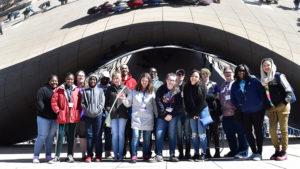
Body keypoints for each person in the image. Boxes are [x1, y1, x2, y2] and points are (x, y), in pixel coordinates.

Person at [119, 73, 157, 163]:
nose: (144, 82)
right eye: (143, 80)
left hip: (148, 118)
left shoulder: (152, 91)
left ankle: (146, 154)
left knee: (147, 138)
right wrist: (124, 98)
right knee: (135, 136)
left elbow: (155, 106)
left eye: (146, 81)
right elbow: (128, 104)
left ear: (149, 82)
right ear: (140, 81)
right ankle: (134, 155)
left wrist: (157, 116)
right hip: (136, 118)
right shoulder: (133, 91)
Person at [231, 64, 266, 161]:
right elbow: (233, 98)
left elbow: (262, 93)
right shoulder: (235, 84)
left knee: (258, 131)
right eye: (238, 71)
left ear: (246, 71)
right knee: (248, 132)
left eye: (243, 70)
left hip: (257, 110)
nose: (241, 72)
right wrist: (238, 106)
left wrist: (259, 104)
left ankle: (259, 153)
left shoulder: (254, 81)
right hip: (245, 112)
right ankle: (254, 152)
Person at [260, 58, 293, 161]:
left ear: (272, 65)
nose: (266, 67)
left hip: (283, 106)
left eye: (268, 65)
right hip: (272, 108)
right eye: (264, 65)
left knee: (283, 129)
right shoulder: (263, 80)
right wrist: (268, 107)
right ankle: (277, 150)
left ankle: (284, 151)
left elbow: (289, 92)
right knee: (272, 130)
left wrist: (283, 103)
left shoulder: (278, 76)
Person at [50, 73, 82, 163]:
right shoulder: (59, 89)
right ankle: (57, 156)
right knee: (60, 135)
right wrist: (57, 111)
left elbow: (80, 103)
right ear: (65, 79)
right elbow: (54, 102)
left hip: (73, 116)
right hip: (62, 115)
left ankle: (70, 155)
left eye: (71, 79)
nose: (70, 81)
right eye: (68, 79)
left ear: (73, 80)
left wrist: (78, 112)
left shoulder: (76, 90)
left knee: (71, 137)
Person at [150, 73, 182, 162]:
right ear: (166, 80)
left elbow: (179, 105)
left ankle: (172, 154)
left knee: (172, 135)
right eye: (169, 80)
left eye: (173, 80)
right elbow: (158, 102)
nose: (171, 82)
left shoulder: (177, 91)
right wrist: (165, 115)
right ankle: (159, 155)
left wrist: (171, 115)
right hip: (162, 116)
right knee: (159, 134)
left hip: (173, 116)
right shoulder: (161, 89)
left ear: (175, 82)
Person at [219, 67, 249, 159]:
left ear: (233, 73)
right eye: (225, 72)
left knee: (241, 133)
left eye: (229, 72)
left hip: (237, 113)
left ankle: (243, 152)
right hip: (226, 115)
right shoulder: (222, 85)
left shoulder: (237, 83)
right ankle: (234, 151)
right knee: (229, 134)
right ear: (223, 74)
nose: (227, 74)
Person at [183, 69, 209, 161]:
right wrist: (191, 114)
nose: (194, 78)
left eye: (196, 76)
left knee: (201, 134)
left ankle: (204, 154)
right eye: (192, 76)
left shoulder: (202, 86)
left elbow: (202, 102)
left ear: (199, 78)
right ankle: (196, 153)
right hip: (192, 112)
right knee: (194, 134)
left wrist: (195, 113)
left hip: (203, 111)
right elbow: (186, 102)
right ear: (190, 77)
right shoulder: (186, 87)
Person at [33, 75, 59, 163]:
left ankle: (48, 156)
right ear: (49, 81)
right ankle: (36, 156)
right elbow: (38, 101)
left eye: (56, 81)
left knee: (50, 137)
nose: (54, 82)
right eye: (52, 81)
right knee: (41, 136)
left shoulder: (58, 90)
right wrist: (45, 112)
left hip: (54, 119)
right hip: (43, 118)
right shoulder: (43, 90)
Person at [105, 71, 130, 161]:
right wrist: (109, 110)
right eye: (114, 78)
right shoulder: (109, 89)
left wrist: (124, 99)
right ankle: (115, 155)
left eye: (117, 78)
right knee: (115, 135)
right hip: (113, 115)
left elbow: (129, 102)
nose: (115, 80)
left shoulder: (126, 89)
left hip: (123, 114)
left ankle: (121, 155)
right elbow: (106, 102)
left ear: (120, 79)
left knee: (121, 134)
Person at [81, 74, 105, 162]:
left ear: (97, 81)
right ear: (89, 81)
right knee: (89, 135)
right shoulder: (85, 91)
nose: (93, 81)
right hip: (88, 116)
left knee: (98, 135)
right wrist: (86, 110)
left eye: (94, 80)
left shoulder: (100, 90)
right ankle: (89, 155)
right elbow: (82, 103)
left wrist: (99, 110)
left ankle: (98, 155)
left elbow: (102, 102)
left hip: (98, 116)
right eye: (91, 80)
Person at [200, 68, 221, 158]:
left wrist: (207, 97)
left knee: (215, 132)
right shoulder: (199, 84)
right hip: (204, 111)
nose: (205, 75)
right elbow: (200, 98)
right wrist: (212, 97)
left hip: (214, 112)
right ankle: (206, 151)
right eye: (203, 74)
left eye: (207, 73)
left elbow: (218, 96)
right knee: (207, 132)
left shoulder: (214, 84)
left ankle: (217, 151)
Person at [120, 64, 137, 158]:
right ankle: (122, 153)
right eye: (122, 68)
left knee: (131, 134)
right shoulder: (118, 80)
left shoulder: (133, 81)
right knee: (122, 134)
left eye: (126, 68)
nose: (124, 70)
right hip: (121, 111)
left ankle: (132, 153)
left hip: (131, 111)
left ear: (128, 69)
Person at [175, 69, 191, 160]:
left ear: (184, 76)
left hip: (186, 113)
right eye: (178, 74)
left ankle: (187, 153)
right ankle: (181, 153)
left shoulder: (187, 85)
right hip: (177, 113)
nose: (180, 75)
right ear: (176, 75)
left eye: (182, 74)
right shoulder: (174, 85)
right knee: (179, 134)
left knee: (188, 134)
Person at [73, 70, 87, 161]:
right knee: (73, 136)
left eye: (82, 75)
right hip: (73, 117)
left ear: (85, 77)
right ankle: (71, 155)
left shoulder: (88, 88)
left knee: (83, 136)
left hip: (84, 116)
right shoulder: (72, 88)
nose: (81, 77)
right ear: (76, 77)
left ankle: (83, 155)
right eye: (79, 75)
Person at [98, 71, 113, 159]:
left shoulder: (110, 88)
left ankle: (108, 152)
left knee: (108, 134)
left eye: (106, 79)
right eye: (103, 78)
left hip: (108, 113)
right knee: (98, 133)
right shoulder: (97, 87)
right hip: (99, 113)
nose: (104, 80)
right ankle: (98, 152)